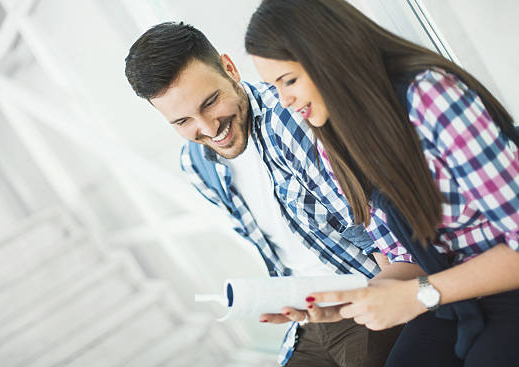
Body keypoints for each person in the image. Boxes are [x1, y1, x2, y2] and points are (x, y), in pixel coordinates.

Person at [124, 22, 423, 367]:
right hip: (304, 319)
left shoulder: (294, 119)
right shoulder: (197, 165)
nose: (208, 128)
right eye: (182, 122)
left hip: (367, 293)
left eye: (210, 102)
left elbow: (389, 243)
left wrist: (388, 304)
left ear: (230, 69)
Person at [244, 1, 519, 366]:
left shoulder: (430, 96)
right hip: (452, 293)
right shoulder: (336, 139)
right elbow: (407, 256)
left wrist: (418, 295)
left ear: (330, 54)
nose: (284, 101)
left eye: (289, 80)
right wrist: (345, 302)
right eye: (273, 87)